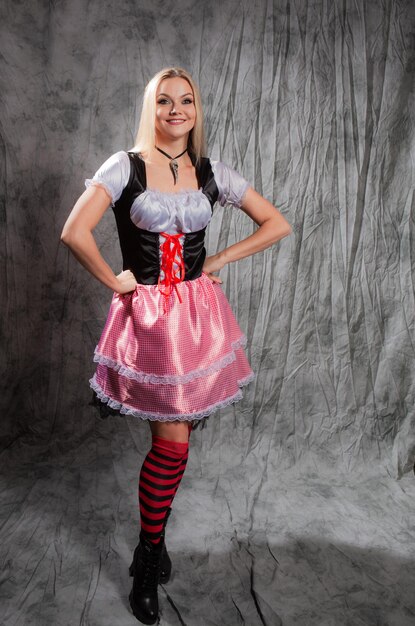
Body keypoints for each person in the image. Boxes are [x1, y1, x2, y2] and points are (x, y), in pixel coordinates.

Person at [61, 67, 291, 624]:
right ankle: (148, 558)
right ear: (151, 109)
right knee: (174, 447)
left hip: (196, 321)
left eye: (185, 100)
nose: (175, 110)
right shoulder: (126, 166)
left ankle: (150, 547)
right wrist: (114, 280)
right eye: (164, 101)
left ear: (196, 108)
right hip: (148, 324)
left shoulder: (210, 171)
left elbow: (274, 223)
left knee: (176, 443)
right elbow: (75, 231)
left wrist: (215, 261)